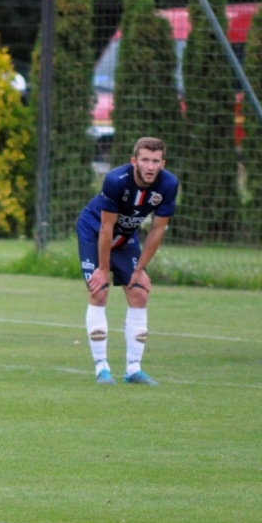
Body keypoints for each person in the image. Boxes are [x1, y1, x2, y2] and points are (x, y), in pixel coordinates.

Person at [76, 136, 178, 386]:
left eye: (156, 161)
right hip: (94, 232)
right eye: (145, 160)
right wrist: (103, 269)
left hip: (125, 237)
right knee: (99, 291)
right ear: (134, 161)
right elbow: (106, 228)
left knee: (139, 292)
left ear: (163, 163)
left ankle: (133, 369)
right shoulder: (115, 180)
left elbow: (157, 230)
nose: (150, 166)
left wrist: (140, 269)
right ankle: (102, 368)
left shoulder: (169, 184)